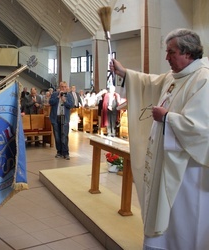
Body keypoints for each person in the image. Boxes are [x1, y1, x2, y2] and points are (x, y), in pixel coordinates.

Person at [110, 28, 209, 249]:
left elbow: (202, 129)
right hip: (164, 161)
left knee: (183, 218)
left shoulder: (204, 79)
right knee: (163, 213)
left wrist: (168, 118)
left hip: (187, 170)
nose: (167, 58)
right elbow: (149, 83)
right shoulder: (175, 77)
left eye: (171, 52)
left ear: (188, 53)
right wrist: (124, 72)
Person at [49, 81, 74, 160]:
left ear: (66, 87)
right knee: (57, 136)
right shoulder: (55, 94)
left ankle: (65, 153)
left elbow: (71, 105)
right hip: (55, 117)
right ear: (59, 87)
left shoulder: (69, 95)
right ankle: (59, 152)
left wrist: (65, 101)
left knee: (64, 135)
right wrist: (58, 97)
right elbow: (51, 102)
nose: (63, 88)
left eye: (64, 87)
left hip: (64, 118)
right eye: (62, 87)